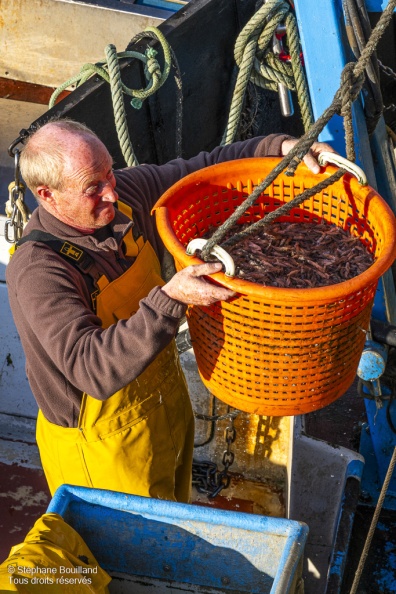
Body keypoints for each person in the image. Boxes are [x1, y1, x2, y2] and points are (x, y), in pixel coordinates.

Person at [6, 119, 334, 502]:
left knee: (177, 512)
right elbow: (91, 368)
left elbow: (200, 170)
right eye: (93, 188)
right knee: (127, 555)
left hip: (164, 407)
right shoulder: (39, 270)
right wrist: (171, 298)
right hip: (103, 451)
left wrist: (277, 147)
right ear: (47, 195)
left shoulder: (123, 194)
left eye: (109, 173)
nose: (112, 193)